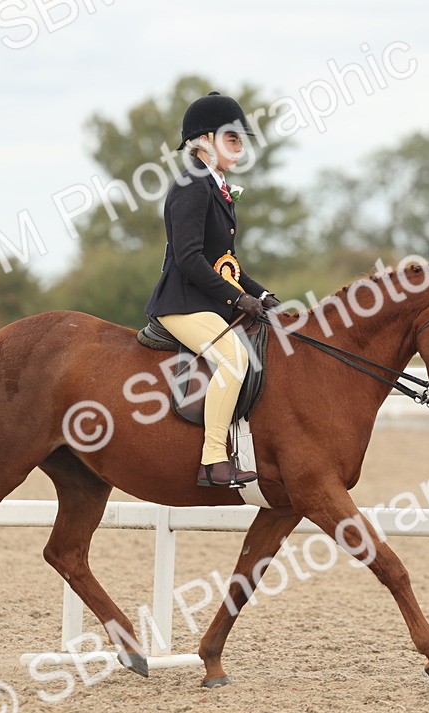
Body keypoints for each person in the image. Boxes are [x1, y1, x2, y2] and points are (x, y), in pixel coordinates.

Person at [144, 91, 281, 488]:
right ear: (205, 140)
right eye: (232, 139)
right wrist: (237, 298)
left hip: (206, 301)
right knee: (235, 360)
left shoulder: (216, 187)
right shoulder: (192, 185)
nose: (240, 148)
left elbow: (225, 262)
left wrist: (263, 295)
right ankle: (214, 460)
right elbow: (189, 259)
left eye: (240, 140)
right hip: (182, 303)